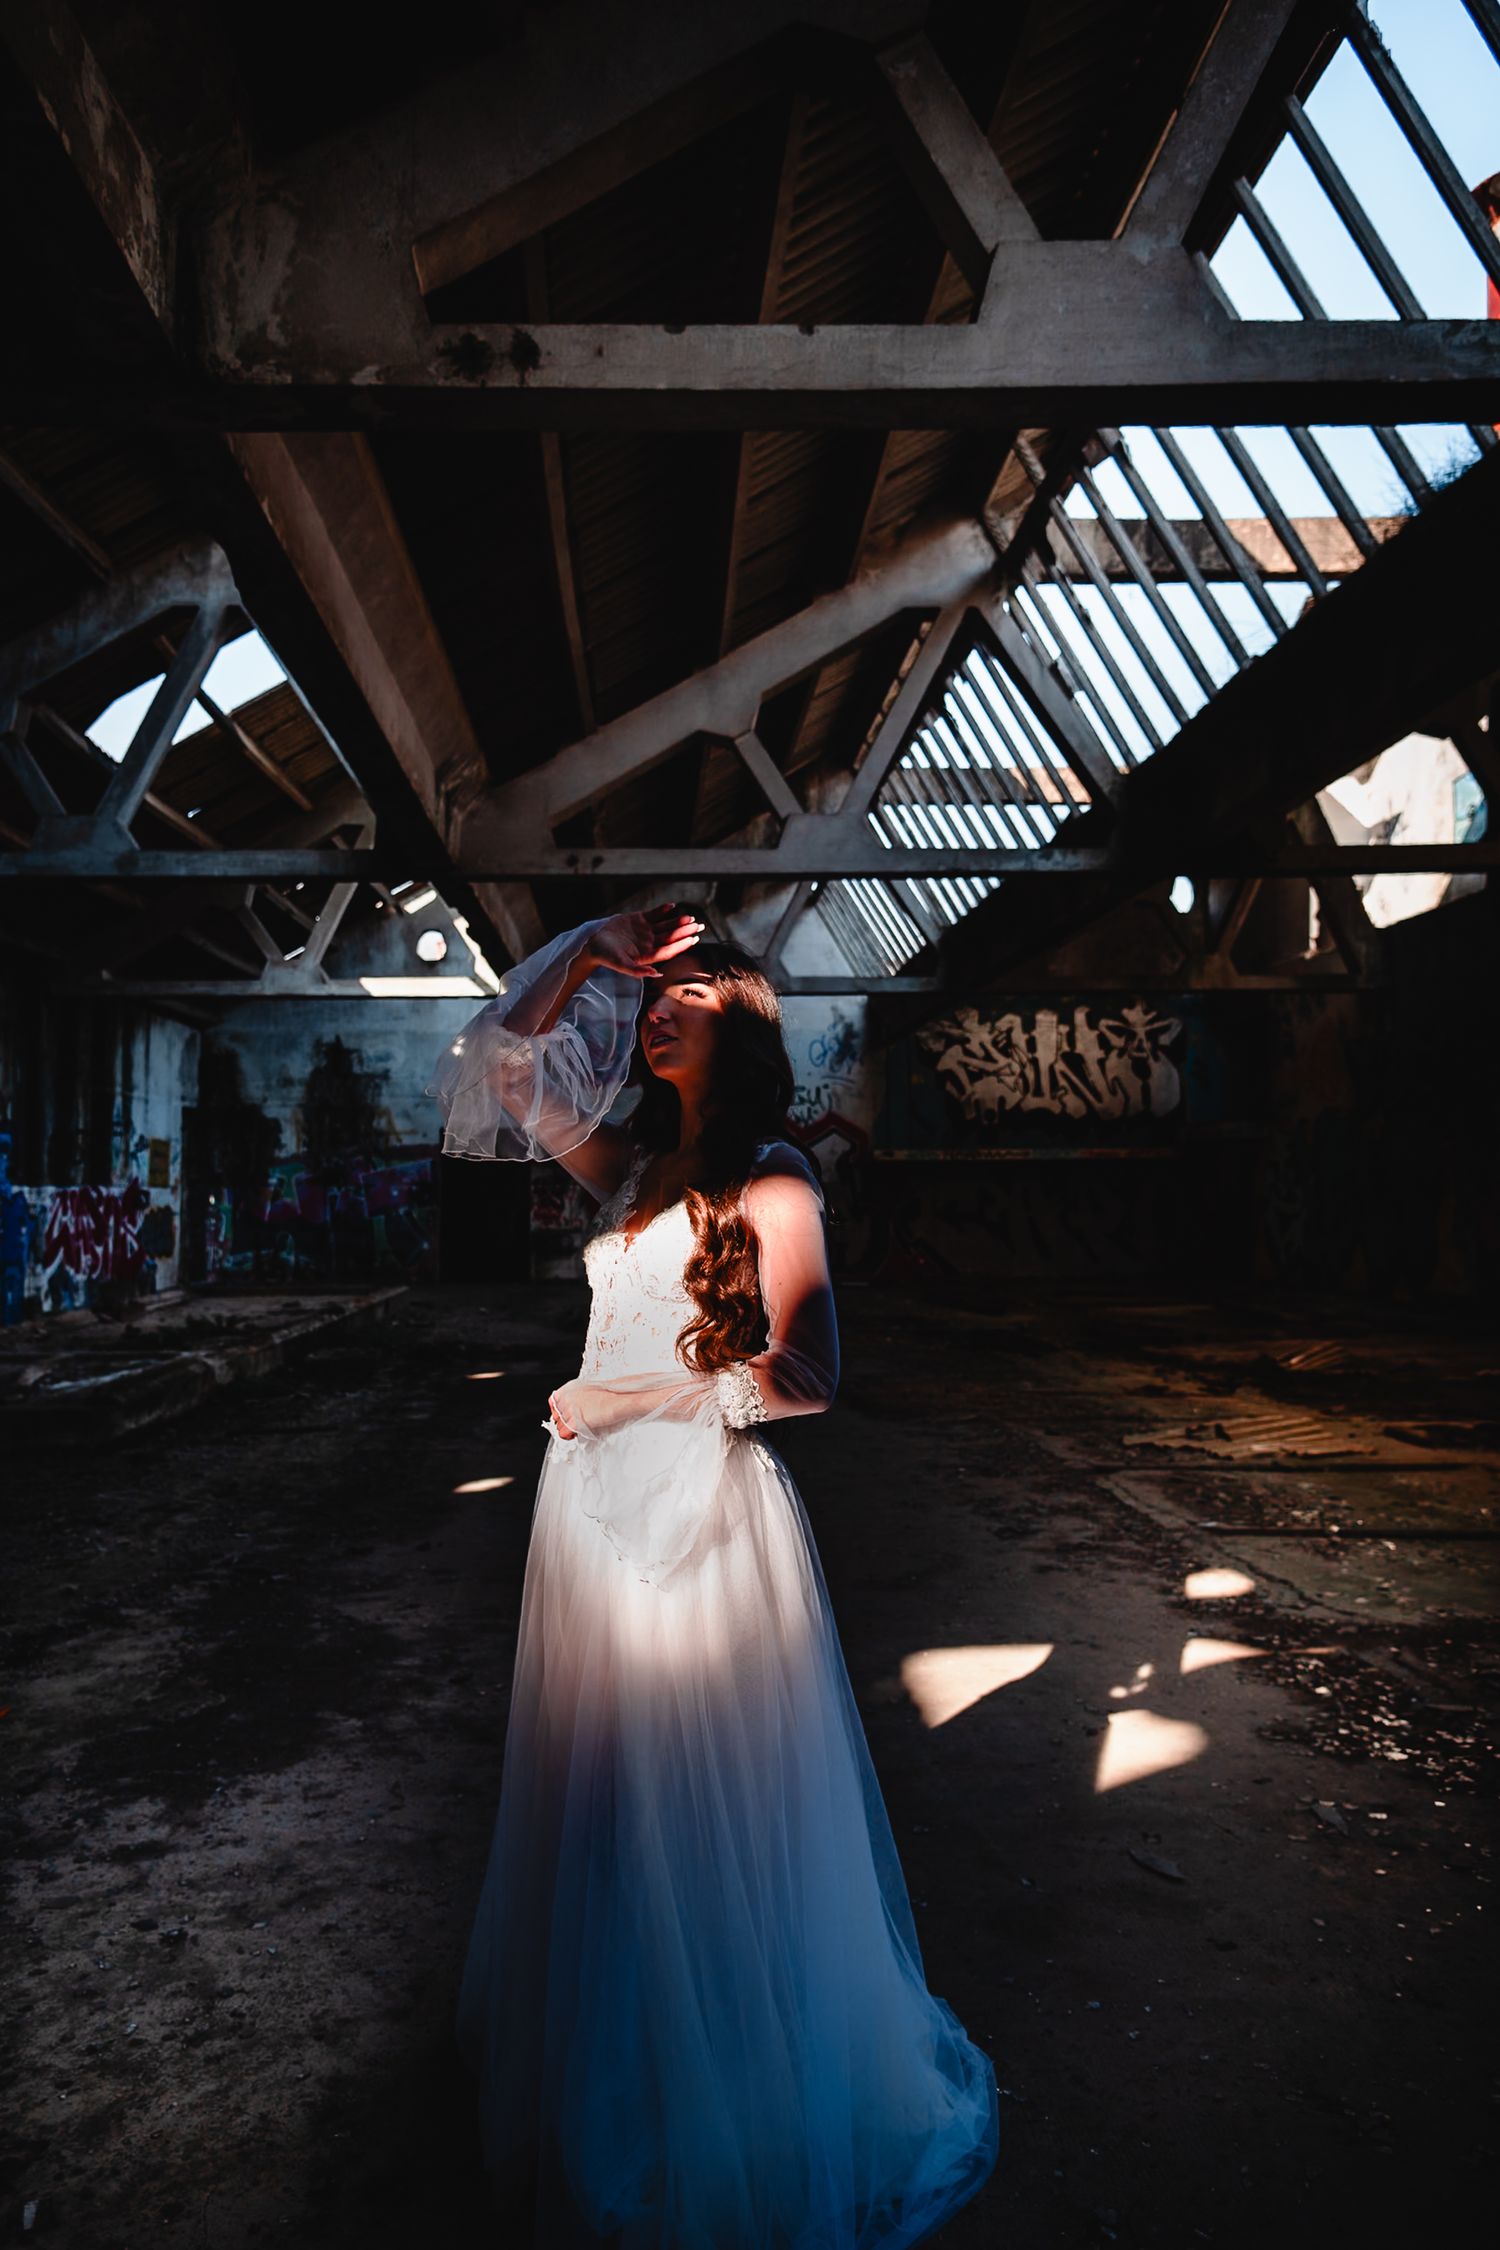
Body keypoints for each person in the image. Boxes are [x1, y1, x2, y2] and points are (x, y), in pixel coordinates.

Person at [427, 904, 999, 2249]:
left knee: (710, 1820)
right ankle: (626, 2076)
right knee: (613, 1814)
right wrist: (591, 951)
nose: (657, 1004)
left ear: (739, 1021)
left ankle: (738, 2100)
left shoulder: (774, 1172)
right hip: (593, 1532)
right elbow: (504, 1067)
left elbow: (804, 1377)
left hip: (703, 1529)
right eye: (655, 991)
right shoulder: (627, 1164)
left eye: (685, 988)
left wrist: (623, 1395)